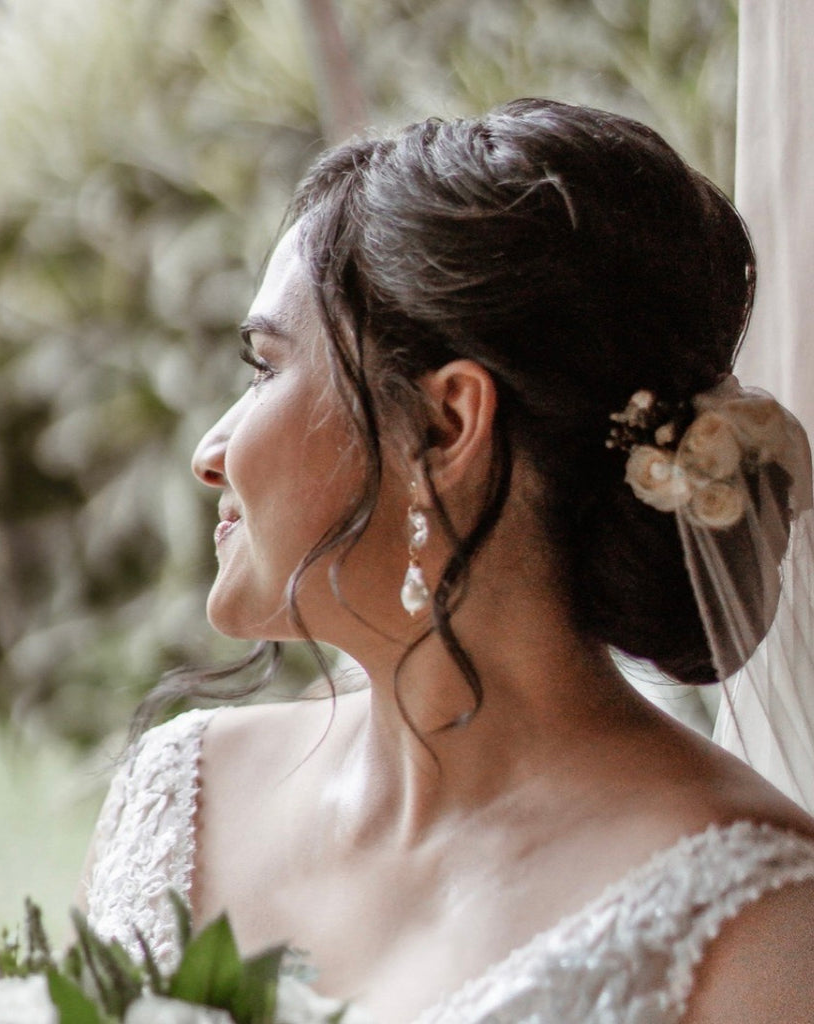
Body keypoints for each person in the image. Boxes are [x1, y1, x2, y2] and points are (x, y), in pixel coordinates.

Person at [81, 100, 814, 1023]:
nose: (210, 451)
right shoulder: (180, 798)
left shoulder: (763, 929)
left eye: (266, 368)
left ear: (445, 425)